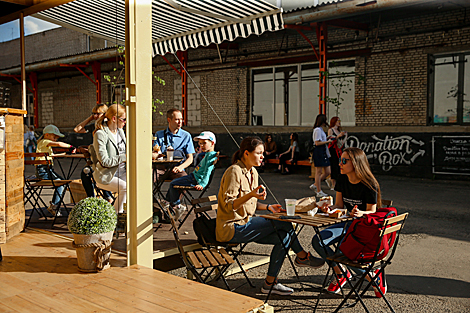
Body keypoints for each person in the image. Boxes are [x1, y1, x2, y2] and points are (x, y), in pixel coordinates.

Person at [216, 137, 325, 296]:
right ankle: (302, 257)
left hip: (246, 223)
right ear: (246, 153)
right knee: (285, 223)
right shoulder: (234, 171)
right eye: (259, 153)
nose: (262, 156)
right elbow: (228, 205)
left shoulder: (252, 171)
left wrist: (267, 207)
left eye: (262, 153)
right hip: (232, 227)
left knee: (285, 236)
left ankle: (270, 283)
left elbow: (250, 205)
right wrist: (251, 195)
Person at [311, 147, 386, 297]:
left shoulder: (370, 183)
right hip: (348, 223)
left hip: (364, 226)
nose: (340, 164)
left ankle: (372, 277)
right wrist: (329, 208)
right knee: (317, 241)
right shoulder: (342, 179)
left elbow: (372, 211)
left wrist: (360, 213)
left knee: (342, 252)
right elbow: (339, 205)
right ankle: (341, 274)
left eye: (344, 161)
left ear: (356, 163)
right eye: (340, 160)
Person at [166, 131, 218, 220]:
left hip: (194, 179)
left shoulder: (211, 157)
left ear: (212, 143)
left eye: (204, 143)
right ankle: (171, 203)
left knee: (173, 184)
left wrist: (202, 184)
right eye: (200, 143)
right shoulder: (208, 154)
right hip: (193, 177)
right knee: (174, 183)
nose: (201, 145)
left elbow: (207, 172)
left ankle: (176, 205)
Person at [74, 103, 113, 202]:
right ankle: (91, 199)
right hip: (96, 161)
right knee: (85, 173)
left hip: (109, 160)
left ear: (105, 114)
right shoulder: (94, 126)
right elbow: (77, 129)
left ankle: (108, 197)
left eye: (98, 113)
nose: (95, 116)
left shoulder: (109, 126)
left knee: (99, 172)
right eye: (93, 113)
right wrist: (90, 118)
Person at [92, 104, 127, 214]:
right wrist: (125, 157)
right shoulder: (100, 134)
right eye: (123, 119)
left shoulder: (120, 132)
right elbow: (105, 161)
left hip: (123, 173)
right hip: (106, 175)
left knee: (140, 183)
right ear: (114, 119)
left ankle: (125, 215)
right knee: (125, 188)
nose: (125, 122)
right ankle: (117, 217)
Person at [35, 124, 74, 216]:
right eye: (54, 136)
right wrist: (70, 146)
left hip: (46, 170)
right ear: (47, 135)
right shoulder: (44, 142)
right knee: (60, 184)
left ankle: (54, 205)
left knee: (62, 183)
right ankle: (54, 206)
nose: (56, 139)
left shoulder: (45, 146)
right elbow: (59, 144)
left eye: (57, 137)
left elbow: (53, 156)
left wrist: (65, 153)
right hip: (43, 171)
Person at [152, 108, 195, 181]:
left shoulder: (186, 136)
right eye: (177, 119)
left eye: (181, 119)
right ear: (169, 120)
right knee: (147, 178)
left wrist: (180, 167)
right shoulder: (159, 134)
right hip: (160, 169)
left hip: (177, 169)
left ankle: (171, 193)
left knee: (184, 180)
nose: (180, 122)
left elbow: (190, 158)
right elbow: (154, 154)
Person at [311, 114, 332, 197]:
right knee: (318, 171)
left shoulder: (320, 129)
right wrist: (327, 141)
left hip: (323, 150)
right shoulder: (317, 130)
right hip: (319, 150)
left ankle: (316, 184)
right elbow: (317, 142)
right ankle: (319, 190)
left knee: (328, 171)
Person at [327, 117, 348, 190]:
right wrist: (338, 136)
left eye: (340, 120)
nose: (339, 122)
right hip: (333, 150)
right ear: (334, 122)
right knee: (334, 166)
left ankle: (337, 183)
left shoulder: (338, 131)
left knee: (339, 166)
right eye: (338, 121)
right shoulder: (331, 130)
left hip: (339, 150)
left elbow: (341, 143)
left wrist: (345, 136)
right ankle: (333, 184)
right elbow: (330, 141)